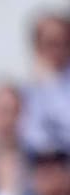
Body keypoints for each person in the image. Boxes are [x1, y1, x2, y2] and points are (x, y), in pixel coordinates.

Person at [21, 10, 70, 153]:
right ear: (37, 46)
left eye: (65, 42)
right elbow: (31, 138)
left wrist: (50, 84)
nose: (58, 50)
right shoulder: (26, 90)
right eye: (51, 43)